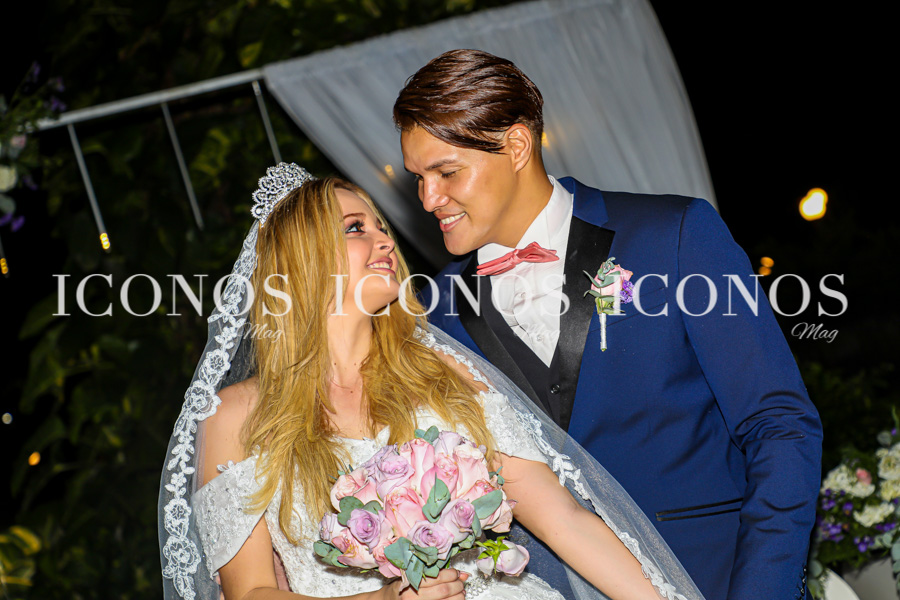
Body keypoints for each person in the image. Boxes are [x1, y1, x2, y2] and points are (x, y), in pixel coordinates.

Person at [158, 164, 705, 600]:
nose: (384, 241)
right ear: (302, 258)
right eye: (355, 228)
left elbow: (562, 518)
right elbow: (249, 591)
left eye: (381, 227)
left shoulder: (445, 375)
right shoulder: (236, 417)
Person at [394, 49, 823, 600]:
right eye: (418, 178)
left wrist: (763, 590)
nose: (428, 198)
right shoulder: (433, 313)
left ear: (517, 146)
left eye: (446, 172)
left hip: (713, 577)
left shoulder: (674, 235)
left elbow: (779, 425)